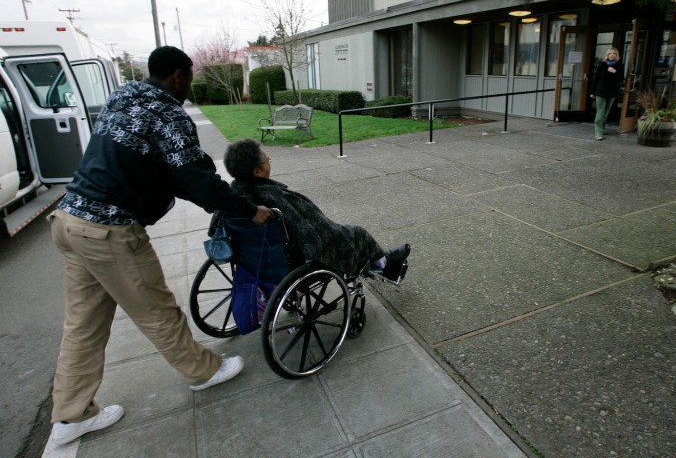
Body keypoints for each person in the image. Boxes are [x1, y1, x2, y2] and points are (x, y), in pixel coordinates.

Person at [47, 46, 274, 446]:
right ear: (177, 77)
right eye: (188, 77)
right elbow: (196, 178)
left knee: (83, 323)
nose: (188, 85)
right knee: (156, 309)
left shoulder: (123, 97)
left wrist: (204, 196)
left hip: (69, 221)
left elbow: (167, 174)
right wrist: (248, 210)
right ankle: (203, 372)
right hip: (108, 229)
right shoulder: (168, 114)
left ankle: (70, 415)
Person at [222, 138, 410, 282]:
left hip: (255, 259)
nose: (269, 162)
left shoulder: (235, 195)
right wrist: (337, 232)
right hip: (293, 257)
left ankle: (378, 260)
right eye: (267, 160)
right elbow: (316, 233)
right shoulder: (272, 198)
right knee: (357, 233)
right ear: (256, 171)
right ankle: (383, 263)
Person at [590, 47, 624, 140]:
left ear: (617, 55)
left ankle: (601, 129)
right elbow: (596, 79)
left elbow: (621, 79)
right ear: (607, 55)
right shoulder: (602, 65)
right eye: (610, 53)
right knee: (600, 113)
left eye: (614, 53)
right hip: (600, 91)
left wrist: (615, 72)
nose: (612, 55)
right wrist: (592, 92)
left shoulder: (619, 65)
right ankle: (598, 133)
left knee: (606, 113)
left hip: (611, 92)